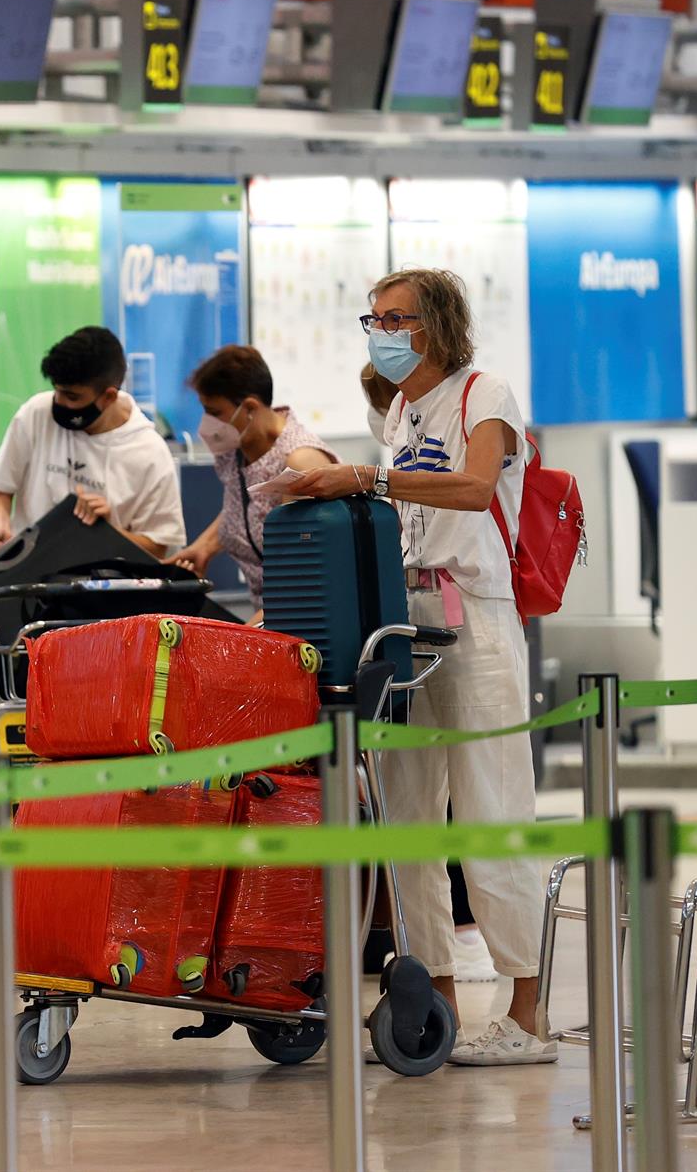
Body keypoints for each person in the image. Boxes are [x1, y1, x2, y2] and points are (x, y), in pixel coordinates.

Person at [287, 267, 548, 1065]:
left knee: (488, 813)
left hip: (476, 623)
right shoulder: (401, 409)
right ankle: (430, 1004)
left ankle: (528, 1015)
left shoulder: (485, 394)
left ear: (434, 325)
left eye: (395, 318)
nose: (381, 331)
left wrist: (368, 475)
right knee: (406, 817)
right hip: (407, 625)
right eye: (374, 317)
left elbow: (471, 489)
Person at [0, 325, 185, 562]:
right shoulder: (36, 414)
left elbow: (157, 547)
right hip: (29, 579)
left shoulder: (149, 452)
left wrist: (106, 534)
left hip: (105, 591)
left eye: (72, 397)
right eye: (57, 391)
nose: (59, 402)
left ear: (108, 396)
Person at [166, 346, 335, 619]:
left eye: (214, 412)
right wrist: (204, 547)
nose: (207, 423)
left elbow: (302, 580)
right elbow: (245, 503)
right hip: (266, 618)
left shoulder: (302, 462)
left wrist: (242, 640)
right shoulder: (236, 449)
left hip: (309, 620)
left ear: (250, 408)